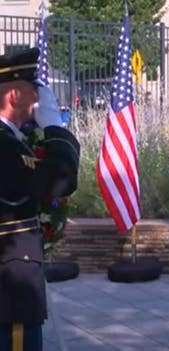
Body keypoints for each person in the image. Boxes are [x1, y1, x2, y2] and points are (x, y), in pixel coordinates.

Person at [0, 48, 80, 351]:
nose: (40, 100)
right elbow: (59, 180)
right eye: (35, 92)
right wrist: (55, 127)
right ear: (15, 96)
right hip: (11, 288)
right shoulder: (5, 145)